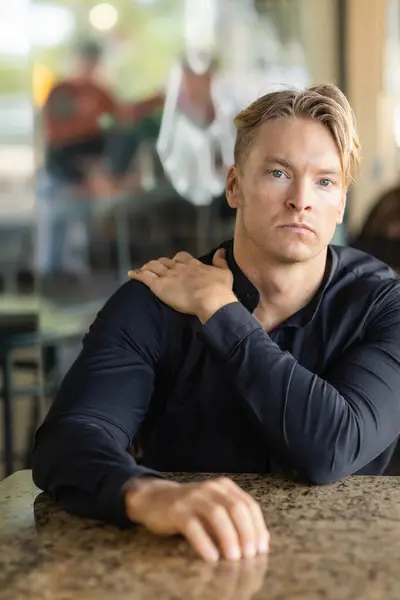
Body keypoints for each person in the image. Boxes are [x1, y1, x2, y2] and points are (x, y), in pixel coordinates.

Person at [33, 84, 400, 563]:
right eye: (277, 172)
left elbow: (332, 446)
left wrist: (220, 311)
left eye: (325, 182)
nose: (300, 200)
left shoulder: (383, 304)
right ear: (234, 186)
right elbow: (70, 437)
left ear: (342, 205)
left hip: (356, 568)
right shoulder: (156, 300)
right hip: (194, 561)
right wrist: (147, 494)